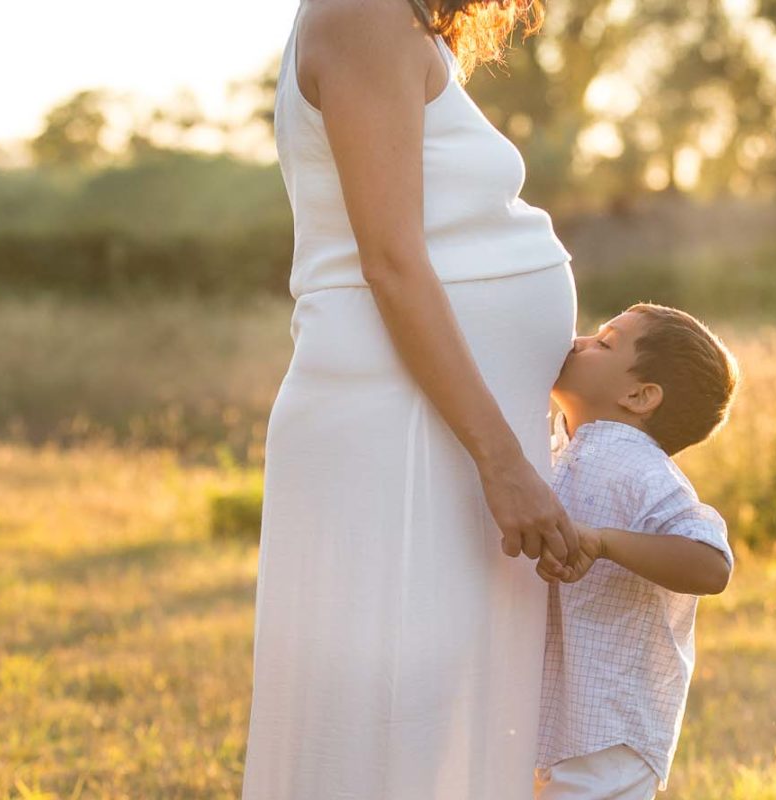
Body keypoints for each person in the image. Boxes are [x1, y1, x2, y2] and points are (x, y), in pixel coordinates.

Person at [240, 1, 581, 797]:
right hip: (401, 424)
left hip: (431, 420)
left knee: (436, 712)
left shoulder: (391, 20)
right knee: (393, 712)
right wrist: (501, 462)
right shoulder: (362, 14)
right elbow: (391, 262)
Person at [531, 303, 740, 799]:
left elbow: (711, 564)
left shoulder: (639, 467)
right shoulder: (560, 448)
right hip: (552, 721)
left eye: (604, 342)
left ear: (639, 396)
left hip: (611, 730)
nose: (579, 342)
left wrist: (604, 543)